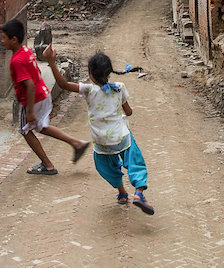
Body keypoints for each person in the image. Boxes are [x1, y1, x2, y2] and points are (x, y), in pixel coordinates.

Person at [44, 45, 155, 215]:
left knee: (108, 167)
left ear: (90, 74)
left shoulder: (89, 91)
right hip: (121, 137)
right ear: (109, 72)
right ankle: (139, 193)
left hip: (102, 142)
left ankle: (122, 193)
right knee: (135, 161)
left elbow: (63, 84)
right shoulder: (119, 87)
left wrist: (52, 63)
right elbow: (129, 112)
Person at [1, 19, 89, 175]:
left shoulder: (16, 61)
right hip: (43, 93)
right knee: (42, 127)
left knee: (25, 131)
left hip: (31, 99)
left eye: (4, 37)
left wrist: (29, 111)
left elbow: (28, 85)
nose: (2, 41)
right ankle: (76, 143)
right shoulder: (27, 52)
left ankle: (47, 165)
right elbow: (37, 74)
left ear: (13, 39)